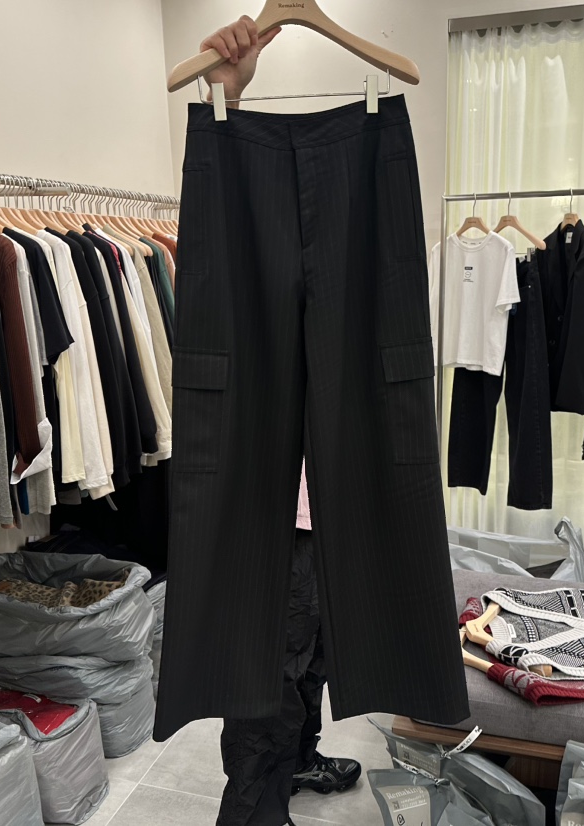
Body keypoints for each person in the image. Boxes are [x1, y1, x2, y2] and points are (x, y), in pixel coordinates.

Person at [202, 20, 361, 825]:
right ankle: (254, 811)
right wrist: (229, 96)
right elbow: (228, 222)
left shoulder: (356, 246)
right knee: (270, 675)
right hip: (280, 515)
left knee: (316, 657)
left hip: (328, 504)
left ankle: (299, 762)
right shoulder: (254, 263)